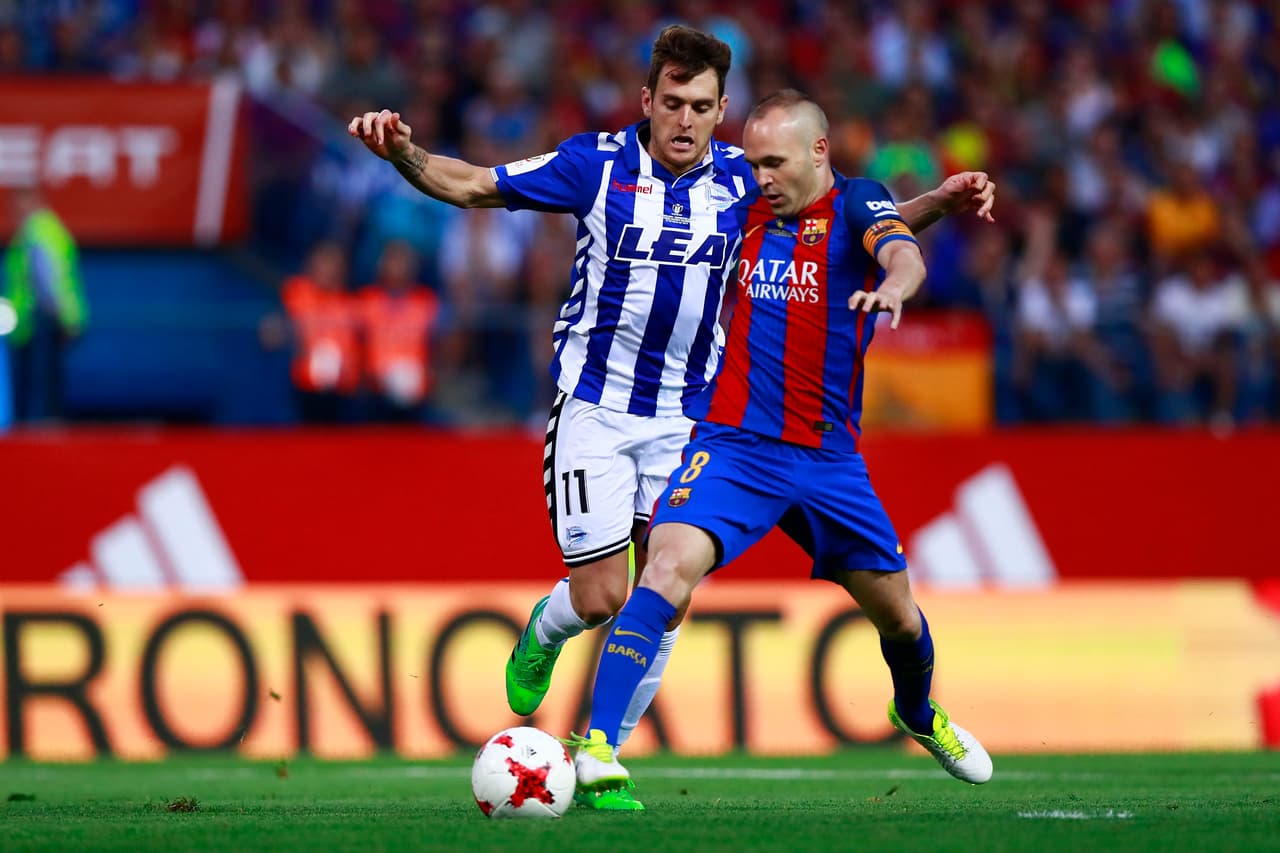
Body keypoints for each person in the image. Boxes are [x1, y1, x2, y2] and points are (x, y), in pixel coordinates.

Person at [349, 26, 994, 810]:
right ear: (647, 101)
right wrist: (406, 156)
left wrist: (931, 213)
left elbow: (851, 220)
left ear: (722, 110)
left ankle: (605, 760)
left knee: (668, 585)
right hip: (595, 404)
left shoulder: (747, 181)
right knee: (597, 598)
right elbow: (475, 183)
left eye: (703, 107)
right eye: (673, 104)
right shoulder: (595, 165)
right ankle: (546, 634)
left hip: (690, 417)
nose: (686, 121)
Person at [571, 90, 994, 805]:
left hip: (829, 460)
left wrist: (896, 283)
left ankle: (917, 711)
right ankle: (598, 745)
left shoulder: (861, 201)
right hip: (734, 447)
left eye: (774, 162)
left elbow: (898, 248)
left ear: (818, 152)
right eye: (755, 160)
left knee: (898, 613)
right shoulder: (749, 208)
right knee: (666, 569)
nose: (760, 175)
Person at [4, 186, 86, 423]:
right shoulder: (40, 231)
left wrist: (59, 316)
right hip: (38, 321)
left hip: (42, 319)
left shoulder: (37, 232)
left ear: (33, 200)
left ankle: (41, 443)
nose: (14, 209)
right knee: (43, 385)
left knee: (41, 388)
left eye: (19, 201)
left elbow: (47, 279)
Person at [279, 241, 362, 424]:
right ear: (311, 264)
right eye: (324, 262)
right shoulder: (295, 292)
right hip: (301, 389)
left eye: (334, 264)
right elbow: (277, 330)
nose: (329, 270)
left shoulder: (353, 305)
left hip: (341, 393)